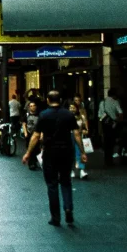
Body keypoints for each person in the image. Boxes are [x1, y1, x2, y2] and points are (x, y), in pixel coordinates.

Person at [23, 89, 87, 227]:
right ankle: (68, 207)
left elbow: (35, 136)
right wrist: (82, 152)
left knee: (52, 185)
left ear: (47, 100)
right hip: (66, 152)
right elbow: (76, 134)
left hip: (50, 153)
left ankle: (55, 217)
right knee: (65, 181)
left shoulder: (44, 115)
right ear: (60, 100)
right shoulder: (68, 115)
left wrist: (28, 153)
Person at [98, 87, 123, 164]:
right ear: (114, 95)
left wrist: (100, 127)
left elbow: (100, 116)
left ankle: (106, 159)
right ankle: (110, 159)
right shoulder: (115, 102)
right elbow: (121, 113)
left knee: (106, 142)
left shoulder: (102, 102)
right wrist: (117, 120)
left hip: (105, 124)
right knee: (112, 142)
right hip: (113, 125)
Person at [69, 103, 89, 180]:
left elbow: (85, 127)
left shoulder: (81, 117)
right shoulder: (66, 117)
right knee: (70, 153)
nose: (72, 109)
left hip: (79, 137)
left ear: (77, 109)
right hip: (69, 136)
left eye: (73, 108)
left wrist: (85, 130)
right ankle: (71, 170)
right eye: (70, 107)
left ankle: (82, 171)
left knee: (80, 152)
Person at [23, 101, 41, 169]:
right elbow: (24, 124)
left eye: (34, 105)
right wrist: (25, 132)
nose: (32, 107)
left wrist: (41, 133)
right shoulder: (27, 115)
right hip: (29, 134)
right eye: (31, 106)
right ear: (29, 107)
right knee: (30, 148)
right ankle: (31, 163)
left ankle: (34, 161)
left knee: (36, 148)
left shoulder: (39, 115)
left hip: (36, 134)